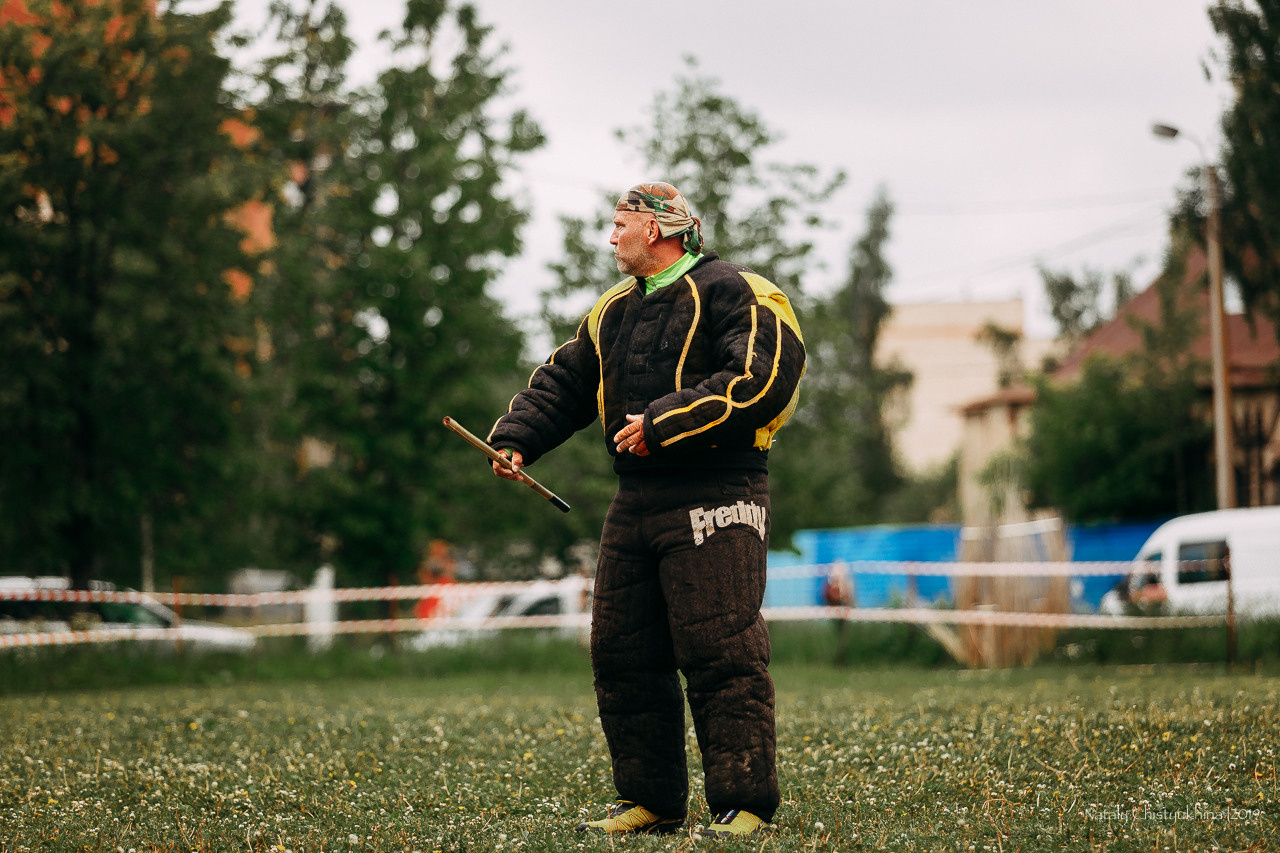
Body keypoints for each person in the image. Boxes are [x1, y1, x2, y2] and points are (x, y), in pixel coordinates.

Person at [486, 182, 805, 838]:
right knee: (622, 651)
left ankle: (746, 802)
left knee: (720, 647)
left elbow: (764, 378)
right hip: (636, 499)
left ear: (659, 230)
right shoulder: (612, 311)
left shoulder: (737, 290)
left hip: (719, 489)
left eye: (620, 223)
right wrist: (517, 438)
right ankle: (653, 800)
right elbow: (567, 381)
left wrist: (662, 423)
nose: (611, 236)